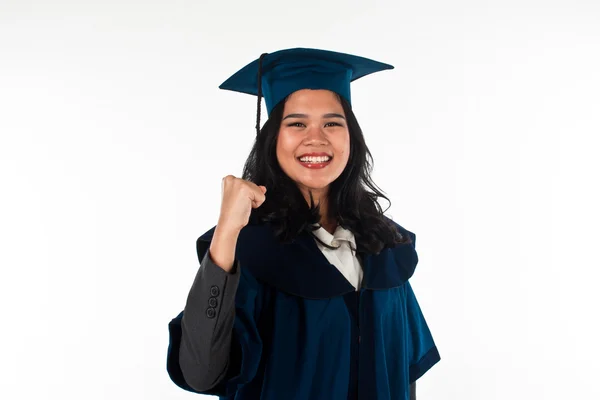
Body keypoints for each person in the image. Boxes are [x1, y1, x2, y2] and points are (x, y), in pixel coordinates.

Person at [166, 48, 441, 400]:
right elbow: (201, 372)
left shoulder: (385, 246)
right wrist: (227, 231)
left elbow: (403, 374)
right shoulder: (249, 251)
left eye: (332, 123)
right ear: (272, 140)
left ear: (351, 138)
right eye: (296, 123)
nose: (316, 138)